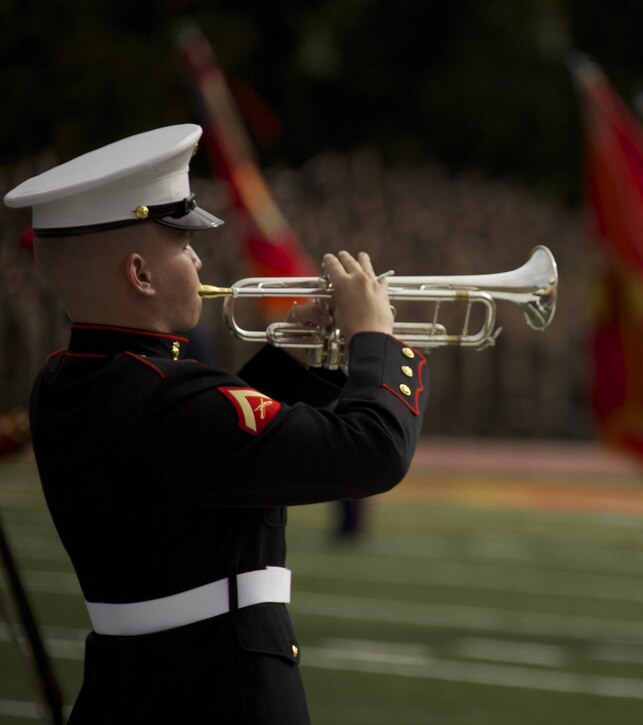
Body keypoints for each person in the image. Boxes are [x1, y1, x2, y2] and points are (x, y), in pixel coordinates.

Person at [3, 124, 429, 724]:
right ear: (141, 275)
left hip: (132, 684)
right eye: (182, 242)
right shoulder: (161, 396)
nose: (200, 257)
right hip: (220, 690)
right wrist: (378, 342)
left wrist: (298, 355)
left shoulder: (66, 383)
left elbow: (207, 453)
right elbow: (374, 451)